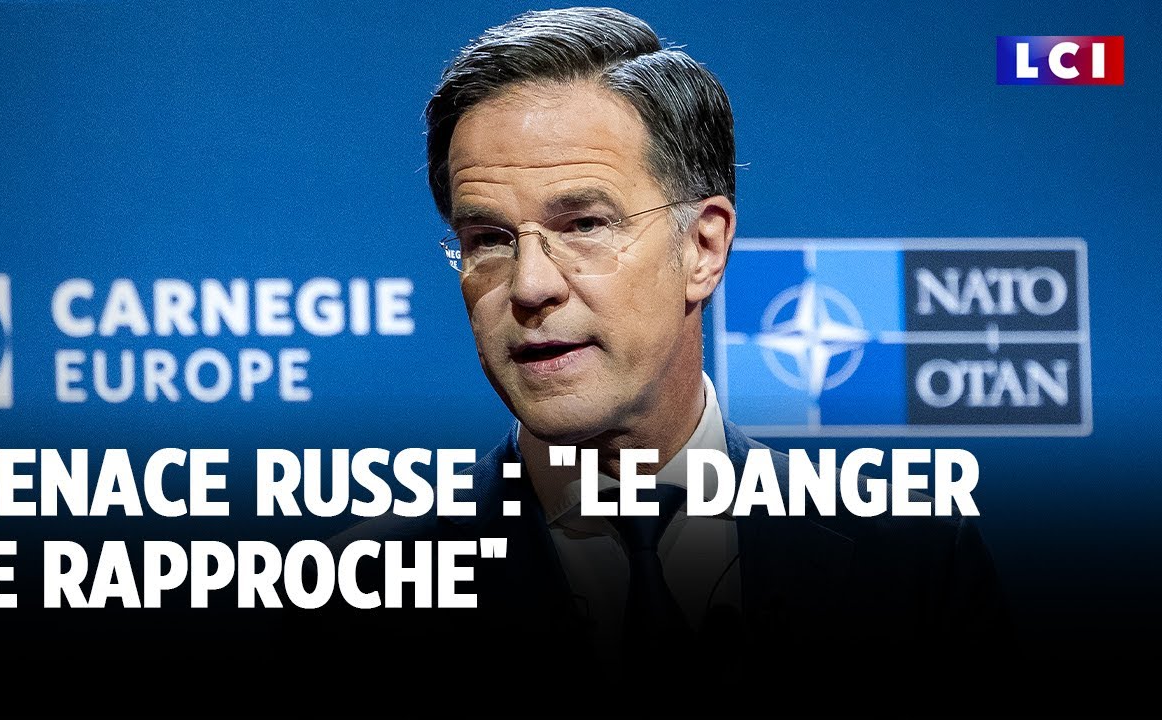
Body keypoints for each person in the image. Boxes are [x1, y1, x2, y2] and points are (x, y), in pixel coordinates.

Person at [314, 6, 1009, 709]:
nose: (529, 286)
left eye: (584, 225)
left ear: (702, 248)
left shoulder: (914, 565)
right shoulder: (360, 598)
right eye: (489, 239)